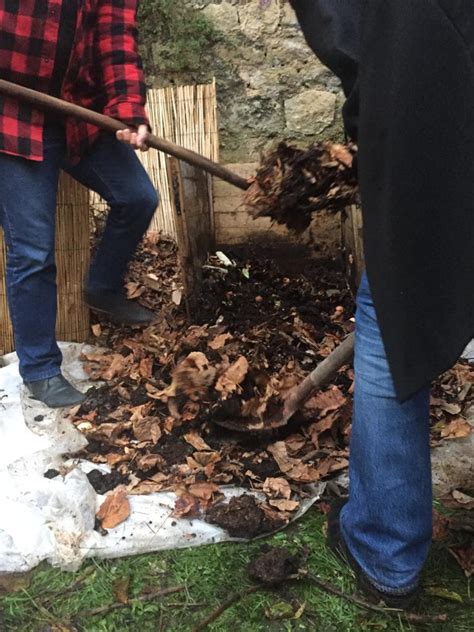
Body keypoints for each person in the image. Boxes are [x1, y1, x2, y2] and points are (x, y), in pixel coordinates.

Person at [290, 0, 474, 608]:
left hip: (434, 103)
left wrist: (366, 125)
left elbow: (351, 41)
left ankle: (385, 552)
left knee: (388, 319)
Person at [0, 1, 159, 408]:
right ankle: (40, 369)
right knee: (33, 251)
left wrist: (127, 110)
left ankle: (101, 287)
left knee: (138, 197)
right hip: (12, 115)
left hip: (76, 113)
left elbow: (116, 39)